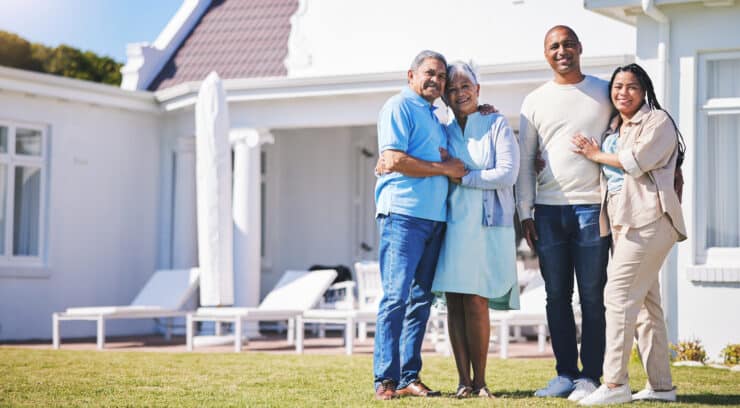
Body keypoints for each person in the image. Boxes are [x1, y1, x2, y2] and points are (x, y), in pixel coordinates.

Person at [574, 63, 687, 405]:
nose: (623, 92)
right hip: (624, 222)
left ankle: (614, 384)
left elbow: (637, 162)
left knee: (618, 295)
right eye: (617, 86)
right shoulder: (617, 126)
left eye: (631, 87)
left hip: (650, 219)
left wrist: (596, 154)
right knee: (646, 307)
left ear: (644, 90)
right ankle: (662, 387)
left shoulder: (658, 121)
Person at [516, 25, 612, 401]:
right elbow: (525, 161)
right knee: (556, 295)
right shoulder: (534, 100)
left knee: (592, 295)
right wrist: (525, 211)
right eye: (554, 46)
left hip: (592, 207)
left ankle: (591, 376)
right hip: (548, 212)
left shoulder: (605, 91)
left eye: (568, 44)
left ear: (580, 48)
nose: (562, 51)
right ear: (546, 54)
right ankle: (564, 375)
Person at [372, 50, 467, 400]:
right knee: (395, 298)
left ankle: (409, 377)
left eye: (441, 76)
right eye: (430, 73)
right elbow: (394, 159)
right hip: (404, 216)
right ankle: (385, 379)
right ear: (410, 75)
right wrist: (444, 169)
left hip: (434, 219)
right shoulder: (398, 106)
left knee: (419, 301)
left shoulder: (435, 116)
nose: (436, 81)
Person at [429, 61, 520, 399]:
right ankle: (463, 382)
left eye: (465, 85)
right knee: (454, 300)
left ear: (478, 89)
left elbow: (507, 174)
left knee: (476, 301)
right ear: (445, 97)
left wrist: (464, 176)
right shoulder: (443, 128)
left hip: (485, 226)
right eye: (452, 89)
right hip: (451, 224)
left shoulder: (495, 123)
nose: (459, 92)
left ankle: (480, 380)